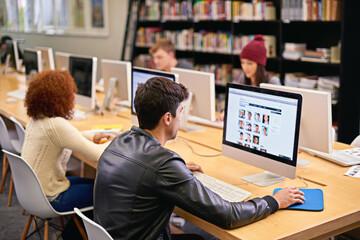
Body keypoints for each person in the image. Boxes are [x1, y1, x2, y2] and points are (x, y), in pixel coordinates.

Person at [93, 77, 305, 240]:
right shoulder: (163, 164)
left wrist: (178, 168)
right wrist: (273, 201)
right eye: (180, 111)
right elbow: (227, 215)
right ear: (168, 118)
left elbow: (143, 169)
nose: (181, 117)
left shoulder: (120, 140)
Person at [21, 70, 114, 213]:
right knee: (110, 193)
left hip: (31, 193)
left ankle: (76, 230)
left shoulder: (37, 119)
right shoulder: (57, 125)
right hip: (52, 198)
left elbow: (68, 137)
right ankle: (76, 232)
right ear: (60, 98)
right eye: (71, 92)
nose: (74, 95)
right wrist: (116, 140)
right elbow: (96, 154)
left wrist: (91, 136)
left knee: (96, 184)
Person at [217, 34, 281, 121]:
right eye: (242, 62)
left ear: (259, 65)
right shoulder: (243, 78)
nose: (245, 67)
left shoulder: (273, 82)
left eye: (250, 63)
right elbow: (235, 103)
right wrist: (226, 111)